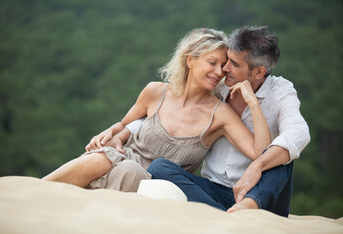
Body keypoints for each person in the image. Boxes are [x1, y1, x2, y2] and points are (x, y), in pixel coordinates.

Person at [42, 28, 272, 192]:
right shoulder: (155, 92)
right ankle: (34, 189)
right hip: (121, 160)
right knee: (110, 159)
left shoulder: (219, 113)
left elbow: (260, 152)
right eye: (212, 62)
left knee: (131, 172)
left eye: (223, 66)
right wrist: (112, 134)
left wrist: (253, 103)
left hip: (156, 186)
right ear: (190, 60)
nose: (219, 72)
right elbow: (125, 124)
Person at [128, 26, 310, 217]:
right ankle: (224, 216)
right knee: (159, 167)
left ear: (258, 72)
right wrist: (125, 129)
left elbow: (299, 133)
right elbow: (167, 110)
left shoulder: (282, 93)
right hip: (213, 191)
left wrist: (258, 165)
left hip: (262, 195)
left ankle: (246, 207)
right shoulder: (217, 85)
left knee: (282, 154)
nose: (224, 69)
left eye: (233, 64)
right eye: (225, 61)